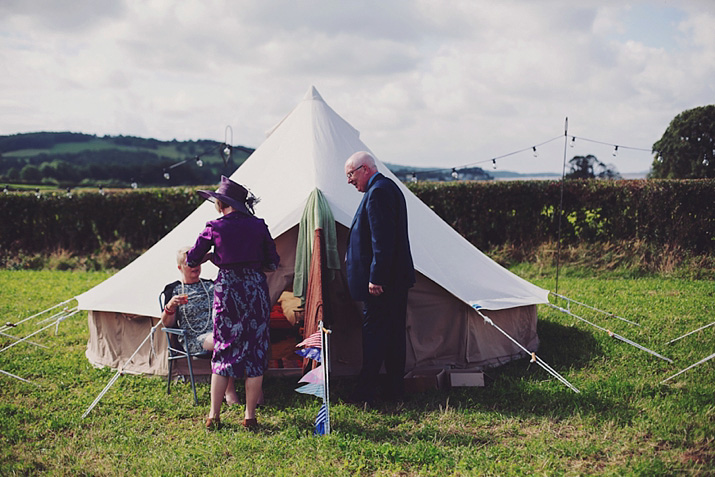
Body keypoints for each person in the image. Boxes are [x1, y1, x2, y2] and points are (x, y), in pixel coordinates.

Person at [186, 176, 279, 430]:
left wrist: (212, 256)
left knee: (224, 348)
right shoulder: (258, 225)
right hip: (255, 290)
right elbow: (272, 262)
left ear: (221, 203)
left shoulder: (214, 227)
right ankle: (250, 417)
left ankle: (213, 416)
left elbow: (191, 259)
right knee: (255, 351)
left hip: (227, 290)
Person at [344, 151, 415, 405]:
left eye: (351, 174)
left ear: (365, 169)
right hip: (394, 280)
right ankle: (394, 391)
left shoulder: (378, 192)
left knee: (375, 336)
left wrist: (376, 278)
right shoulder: (385, 188)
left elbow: (382, 241)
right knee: (393, 335)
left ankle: (366, 393)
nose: (349, 181)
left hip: (384, 284)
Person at [161, 247, 243, 405]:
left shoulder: (210, 285)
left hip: (218, 331)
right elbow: (167, 324)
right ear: (180, 268)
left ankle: (247, 385)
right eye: (189, 263)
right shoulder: (175, 290)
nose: (195, 265)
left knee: (237, 336)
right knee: (224, 342)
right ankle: (229, 390)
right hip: (193, 337)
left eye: (197, 261)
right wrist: (170, 307)